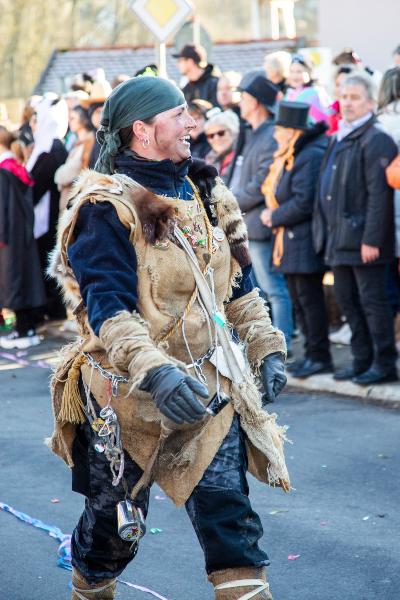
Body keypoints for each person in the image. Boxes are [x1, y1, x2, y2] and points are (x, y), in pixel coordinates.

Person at [48, 76, 290, 600]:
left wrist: (266, 346)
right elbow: (108, 311)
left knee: (232, 520)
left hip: (205, 390)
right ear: (142, 129)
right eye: (179, 114)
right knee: (115, 532)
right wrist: (155, 372)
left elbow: (239, 288)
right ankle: (90, 588)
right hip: (127, 400)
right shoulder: (102, 208)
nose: (193, 123)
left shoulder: (206, 191)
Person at [313, 73, 398, 385]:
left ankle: (384, 362)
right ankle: (362, 360)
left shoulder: (376, 139)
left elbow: (380, 195)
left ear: (370, 103)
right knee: (349, 303)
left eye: (355, 98)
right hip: (338, 239)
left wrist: (372, 238)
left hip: (364, 241)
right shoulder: (339, 137)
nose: (347, 103)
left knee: (373, 304)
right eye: (344, 97)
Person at [261, 102, 332, 377]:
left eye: (279, 130)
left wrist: (275, 216)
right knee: (300, 300)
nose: (276, 135)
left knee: (309, 300)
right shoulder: (295, 153)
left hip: (302, 239)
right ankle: (312, 355)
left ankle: (320, 355)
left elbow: (304, 201)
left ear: (292, 132)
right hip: (290, 240)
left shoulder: (308, 155)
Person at [227, 71, 294, 353]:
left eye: (243, 96)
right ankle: (264, 347)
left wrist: (227, 203)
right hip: (245, 224)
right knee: (261, 292)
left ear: (255, 101)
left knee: (274, 290)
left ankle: (281, 346)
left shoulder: (268, 136)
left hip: (258, 224)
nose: (239, 101)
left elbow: (259, 186)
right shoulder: (252, 133)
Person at [0, 127, 46, 349]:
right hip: (23, 233)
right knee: (23, 278)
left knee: (13, 280)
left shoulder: (4, 171)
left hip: (7, 235)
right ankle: (27, 329)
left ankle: (21, 331)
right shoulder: (17, 167)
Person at [26, 94, 69, 321]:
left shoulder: (54, 146)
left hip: (50, 213)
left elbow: (39, 182)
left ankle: (54, 310)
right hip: (45, 212)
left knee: (48, 260)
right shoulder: (46, 144)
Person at [54, 105, 95, 210]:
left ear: (83, 119)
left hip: (75, 201)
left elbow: (65, 175)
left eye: (73, 118)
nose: (70, 122)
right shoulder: (78, 143)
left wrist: (59, 176)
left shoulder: (88, 143)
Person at [285, 54, 331, 124]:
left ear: (309, 73)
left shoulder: (315, 92)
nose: (295, 76)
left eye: (299, 72)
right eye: (291, 72)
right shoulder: (290, 93)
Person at [80, 79, 112, 169]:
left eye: (105, 111)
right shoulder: (90, 138)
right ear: (91, 114)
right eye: (98, 112)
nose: (102, 116)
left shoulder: (113, 139)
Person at [204, 109, 240, 179]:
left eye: (221, 133)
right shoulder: (209, 161)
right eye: (211, 135)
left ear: (233, 132)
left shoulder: (241, 156)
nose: (216, 138)